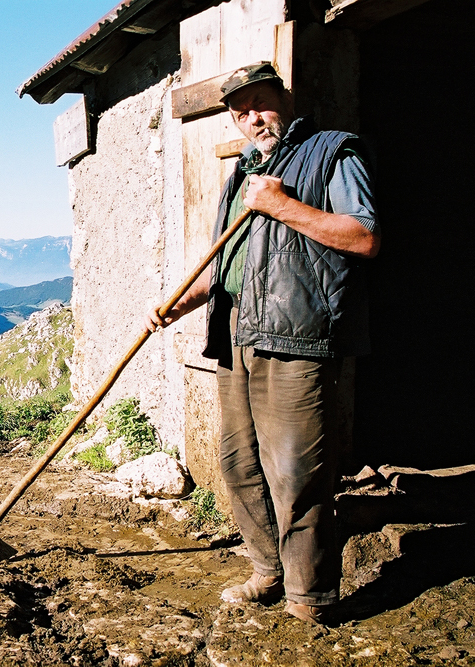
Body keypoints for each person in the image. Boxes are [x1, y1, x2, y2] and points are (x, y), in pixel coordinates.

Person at [143, 62, 379, 624]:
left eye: (261, 103)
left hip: (297, 337)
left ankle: (309, 596)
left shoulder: (333, 152)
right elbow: (228, 263)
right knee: (239, 464)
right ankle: (266, 569)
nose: (252, 118)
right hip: (236, 336)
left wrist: (281, 205)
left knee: (296, 472)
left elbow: (363, 237)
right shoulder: (242, 176)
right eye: (240, 110)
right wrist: (180, 303)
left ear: (284, 98)